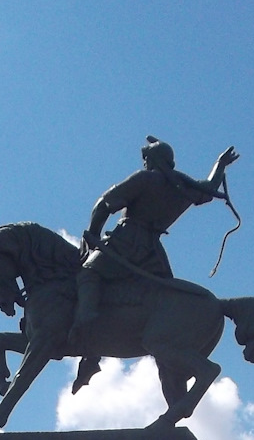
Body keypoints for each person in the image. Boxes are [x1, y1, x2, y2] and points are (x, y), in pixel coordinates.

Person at [69, 136, 239, 348]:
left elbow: (104, 204)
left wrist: (93, 233)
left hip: (125, 240)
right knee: (160, 294)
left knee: (88, 273)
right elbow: (211, 186)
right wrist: (220, 164)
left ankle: (86, 319)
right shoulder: (183, 188)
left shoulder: (145, 179)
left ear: (153, 160)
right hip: (152, 252)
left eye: (146, 159)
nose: (145, 163)